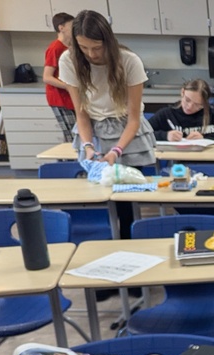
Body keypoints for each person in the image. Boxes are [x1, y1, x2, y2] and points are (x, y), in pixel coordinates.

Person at [60, 9, 156, 240]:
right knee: (96, 196)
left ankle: (128, 244)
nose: (91, 54)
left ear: (108, 41)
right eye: (84, 48)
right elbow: (81, 115)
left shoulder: (129, 61)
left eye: (96, 47)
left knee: (126, 205)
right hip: (94, 130)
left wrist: (115, 151)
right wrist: (88, 146)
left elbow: (134, 118)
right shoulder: (69, 60)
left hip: (126, 132)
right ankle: (101, 244)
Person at [148, 79, 214, 143]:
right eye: (187, 100)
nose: (189, 107)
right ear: (182, 92)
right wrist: (165, 136)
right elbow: (143, 135)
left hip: (207, 161)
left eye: (197, 104)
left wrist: (204, 140)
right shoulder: (166, 114)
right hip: (177, 162)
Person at [42, 12, 75, 143]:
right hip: (60, 98)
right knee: (72, 135)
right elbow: (47, 77)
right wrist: (68, 86)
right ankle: (71, 162)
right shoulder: (55, 48)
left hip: (70, 97)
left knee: (77, 132)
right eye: (72, 26)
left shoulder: (69, 47)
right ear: (61, 28)